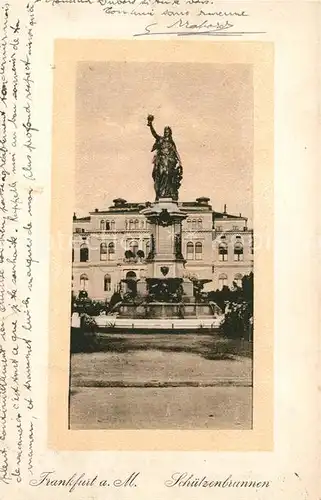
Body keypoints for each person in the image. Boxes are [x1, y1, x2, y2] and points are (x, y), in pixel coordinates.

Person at [147, 114, 183, 200]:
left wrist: (180, 162)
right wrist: (150, 124)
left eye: (168, 132)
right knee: (160, 175)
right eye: (165, 132)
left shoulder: (171, 142)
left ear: (170, 133)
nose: (166, 133)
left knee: (168, 175)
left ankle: (167, 193)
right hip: (162, 161)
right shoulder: (161, 139)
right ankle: (160, 194)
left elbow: (175, 152)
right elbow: (154, 134)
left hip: (170, 162)